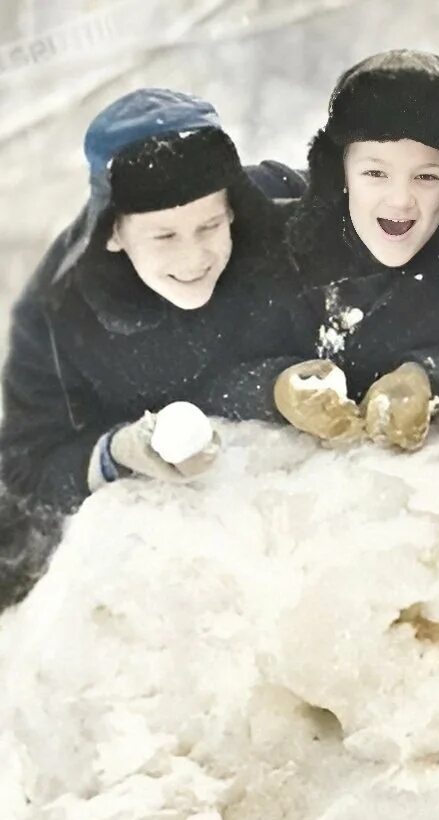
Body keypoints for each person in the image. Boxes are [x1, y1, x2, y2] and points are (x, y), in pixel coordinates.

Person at [0, 87, 306, 604]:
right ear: (113, 232)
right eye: (164, 237)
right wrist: (114, 452)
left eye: (209, 225)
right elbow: (24, 473)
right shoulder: (58, 313)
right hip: (170, 571)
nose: (194, 258)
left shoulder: (293, 213)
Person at [276, 49, 439, 451]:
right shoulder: (282, 240)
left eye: (425, 177)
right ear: (339, 174)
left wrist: (430, 374)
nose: (401, 200)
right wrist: (274, 385)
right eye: (375, 173)